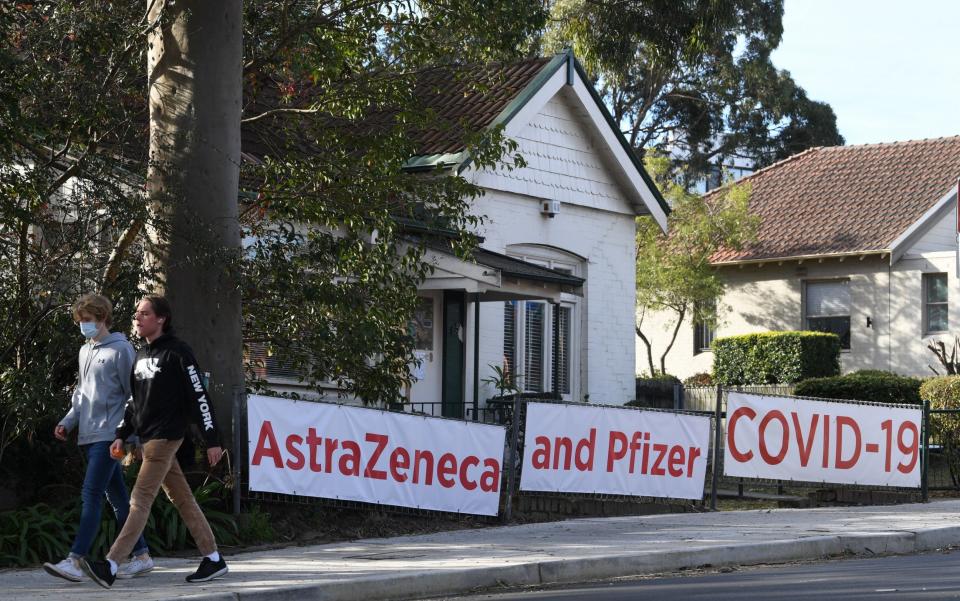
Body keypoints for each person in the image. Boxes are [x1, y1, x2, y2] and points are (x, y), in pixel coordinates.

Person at [81, 295, 228, 588]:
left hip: (165, 438)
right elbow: (135, 403)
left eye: (144, 314)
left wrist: (212, 440)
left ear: (161, 319)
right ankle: (213, 559)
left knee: (139, 500)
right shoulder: (140, 355)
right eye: (136, 313)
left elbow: (199, 396)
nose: (137, 318)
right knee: (182, 498)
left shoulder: (178, 353)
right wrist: (121, 435)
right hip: (148, 438)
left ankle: (111, 564)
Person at [42, 294, 154, 582]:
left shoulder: (121, 349)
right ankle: (141, 555)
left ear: (103, 318)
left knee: (90, 494)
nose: (83, 326)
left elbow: (134, 395)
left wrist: (131, 436)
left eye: (87, 321)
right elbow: (81, 394)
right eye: (80, 322)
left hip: (110, 435)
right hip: (90, 434)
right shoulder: (84, 351)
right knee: (117, 497)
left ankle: (75, 560)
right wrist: (68, 422)